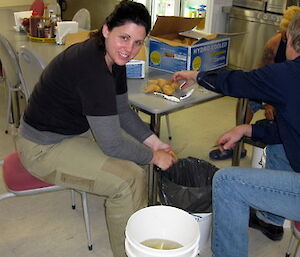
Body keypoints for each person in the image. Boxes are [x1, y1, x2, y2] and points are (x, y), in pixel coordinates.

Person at [16, 1, 176, 256]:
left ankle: (138, 233)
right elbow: (112, 144)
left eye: (137, 42)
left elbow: (122, 110)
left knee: (137, 160)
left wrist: (154, 143)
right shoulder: (92, 70)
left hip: (72, 129)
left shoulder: (113, 58)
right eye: (124, 38)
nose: (130, 49)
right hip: (41, 148)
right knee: (128, 180)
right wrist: (154, 156)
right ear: (106, 30)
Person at [171, 11, 300, 257]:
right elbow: (292, 130)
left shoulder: (291, 74)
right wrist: (247, 129)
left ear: (291, 40)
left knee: (227, 182)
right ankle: (271, 220)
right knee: (278, 148)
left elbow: (240, 81)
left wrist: (197, 75)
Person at [208, 5, 300, 161]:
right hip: (271, 91)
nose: (285, 39)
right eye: (284, 34)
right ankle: (238, 145)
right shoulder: (274, 44)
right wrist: (269, 103)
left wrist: (276, 105)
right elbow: (260, 79)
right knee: (247, 102)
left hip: (289, 100)